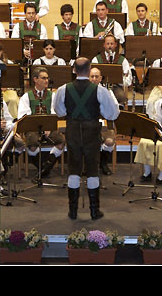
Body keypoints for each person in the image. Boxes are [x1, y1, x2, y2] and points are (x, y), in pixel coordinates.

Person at [53, 57, 121, 220]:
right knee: (92, 171)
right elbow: (112, 114)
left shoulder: (63, 89)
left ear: (74, 70)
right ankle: (94, 210)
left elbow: (59, 112)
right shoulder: (99, 90)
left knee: (74, 170)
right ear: (89, 69)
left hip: (73, 132)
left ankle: (73, 211)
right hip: (91, 132)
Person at [17, 67, 66, 177]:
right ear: (35, 79)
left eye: (47, 78)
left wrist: (49, 126)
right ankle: (42, 167)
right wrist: (35, 126)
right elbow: (23, 116)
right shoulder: (26, 96)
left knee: (61, 141)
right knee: (32, 143)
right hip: (32, 129)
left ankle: (47, 166)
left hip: (49, 128)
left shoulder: (52, 95)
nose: (46, 81)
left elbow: (55, 113)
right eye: (43, 78)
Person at [91, 33, 132, 105]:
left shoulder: (123, 60)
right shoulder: (96, 59)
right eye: (107, 44)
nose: (110, 46)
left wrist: (120, 80)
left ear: (116, 45)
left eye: (112, 43)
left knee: (122, 98)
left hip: (116, 87)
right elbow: (91, 76)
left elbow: (128, 80)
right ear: (104, 45)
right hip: (100, 86)